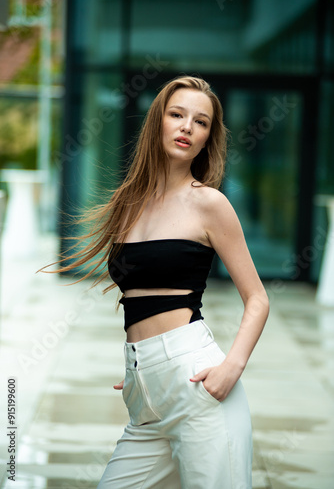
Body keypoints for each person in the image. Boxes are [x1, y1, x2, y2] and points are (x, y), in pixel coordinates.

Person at [42, 76, 269, 488]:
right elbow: (137, 295)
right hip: (144, 395)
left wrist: (230, 368)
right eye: (177, 114)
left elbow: (257, 299)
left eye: (200, 122)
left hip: (198, 387)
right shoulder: (130, 203)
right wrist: (141, 367)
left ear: (206, 140)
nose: (187, 127)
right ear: (157, 122)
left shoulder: (209, 204)